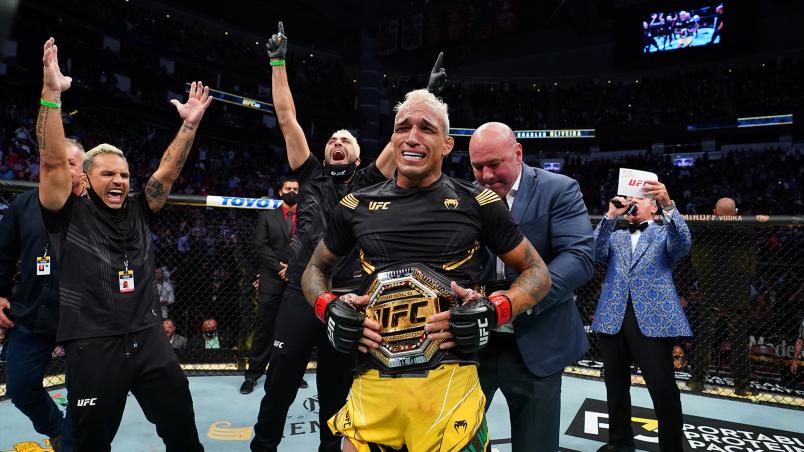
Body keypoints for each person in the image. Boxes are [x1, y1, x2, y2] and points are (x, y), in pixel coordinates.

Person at [301, 89, 552, 452]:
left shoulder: (479, 202)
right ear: (392, 139)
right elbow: (314, 269)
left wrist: (495, 310)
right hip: (372, 381)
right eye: (403, 127)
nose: (413, 137)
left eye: (426, 128)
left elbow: (537, 272)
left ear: (448, 144)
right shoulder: (357, 203)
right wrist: (329, 307)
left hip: (449, 386)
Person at [251, 22, 446, 452]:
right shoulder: (310, 176)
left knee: (337, 395)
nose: (337, 142)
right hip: (300, 296)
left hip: (349, 301)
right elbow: (287, 119)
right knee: (279, 384)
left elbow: (404, 137)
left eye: (346, 140)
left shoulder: (371, 181)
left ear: (358, 155)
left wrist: (428, 98)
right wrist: (279, 61)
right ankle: (262, 447)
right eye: (333, 140)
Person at [36, 37, 209, 450]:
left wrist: (189, 124)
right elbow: (53, 161)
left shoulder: (137, 206)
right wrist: (52, 93)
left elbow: (167, 172)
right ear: (86, 180)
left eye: (125, 175)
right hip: (94, 344)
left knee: (184, 436)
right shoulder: (66, 210)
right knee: (92, 444)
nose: (119, 181)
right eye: (109, 174)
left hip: (149, 338)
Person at [468, 122, 594, 451]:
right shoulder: (467, 197)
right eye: (477, 166)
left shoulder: (558, 189)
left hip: (538, 340)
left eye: (494, 164)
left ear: (518, 153)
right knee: (460, 440)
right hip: (476, 344)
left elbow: (579, 256)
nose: (485, 176)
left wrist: (517, 300)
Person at [0, 137, 86, 452]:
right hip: (34, 310)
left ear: (82, 174)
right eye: (54, 161)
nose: (59, 169)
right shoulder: (23, 205)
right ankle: (57, 429)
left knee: (83, 395)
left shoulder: (94, 209)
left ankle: (71, 444)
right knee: (20, 386)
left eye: (70, 164)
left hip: (82, 320)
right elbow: (4, 255)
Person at [593, 183, 692, 452]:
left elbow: (683, 244)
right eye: (629, 199)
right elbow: (593, 252)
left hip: (653, 318)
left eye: (639, 199)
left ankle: (672, 448)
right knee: (615, 385)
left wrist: (670, 204)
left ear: (653, 206)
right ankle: (620, 443)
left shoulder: (663, 234)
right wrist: (611, 215)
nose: (632, 203)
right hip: (613, 316)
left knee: (663, 389)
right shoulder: (616, 236)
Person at [240, 178, 307, 394]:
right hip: (272, 279)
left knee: (295, 331)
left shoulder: (308, 216)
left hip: (297, 281)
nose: (292, 191)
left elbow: (312, 244)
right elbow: (260, 245)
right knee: (264, 329)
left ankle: (294, 375)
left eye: (296, 189)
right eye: (288, 188)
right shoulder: (268, 216)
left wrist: (293, 269)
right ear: (280, 192)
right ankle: (252, 375)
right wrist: (280, 267)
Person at [689, 197, 755, 396]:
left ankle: (697, 381)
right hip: (737, 293)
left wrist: (708, 279)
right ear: (735, 213)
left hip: (711, 291)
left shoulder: (704, 231)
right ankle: (742, 386)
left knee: (704, 339)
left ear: (714, 212)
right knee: (738, 342)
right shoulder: (747, 232)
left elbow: (696, 260)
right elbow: (751, 265)